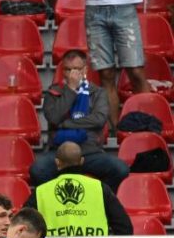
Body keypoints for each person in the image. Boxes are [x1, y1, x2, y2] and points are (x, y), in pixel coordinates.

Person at [30, 50, 129, 191]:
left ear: (85, 70)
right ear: (63, 71)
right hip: (60, 151)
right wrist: (70, 89)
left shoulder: (97, 92)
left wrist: (65, 124)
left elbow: (99, 119)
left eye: (76, 69)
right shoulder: (54, 92)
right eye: (68, 69)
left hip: (89, 150)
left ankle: (98, 198)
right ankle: (58, 201)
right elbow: (53, 117)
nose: (72, 73)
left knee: (121, 169)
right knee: (37, 170)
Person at [26, 141, 132, 238]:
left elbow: (21, 228)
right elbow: (125, 228)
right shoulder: (101, 188)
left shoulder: (41, 191)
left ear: (57, 162)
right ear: (82, 161)